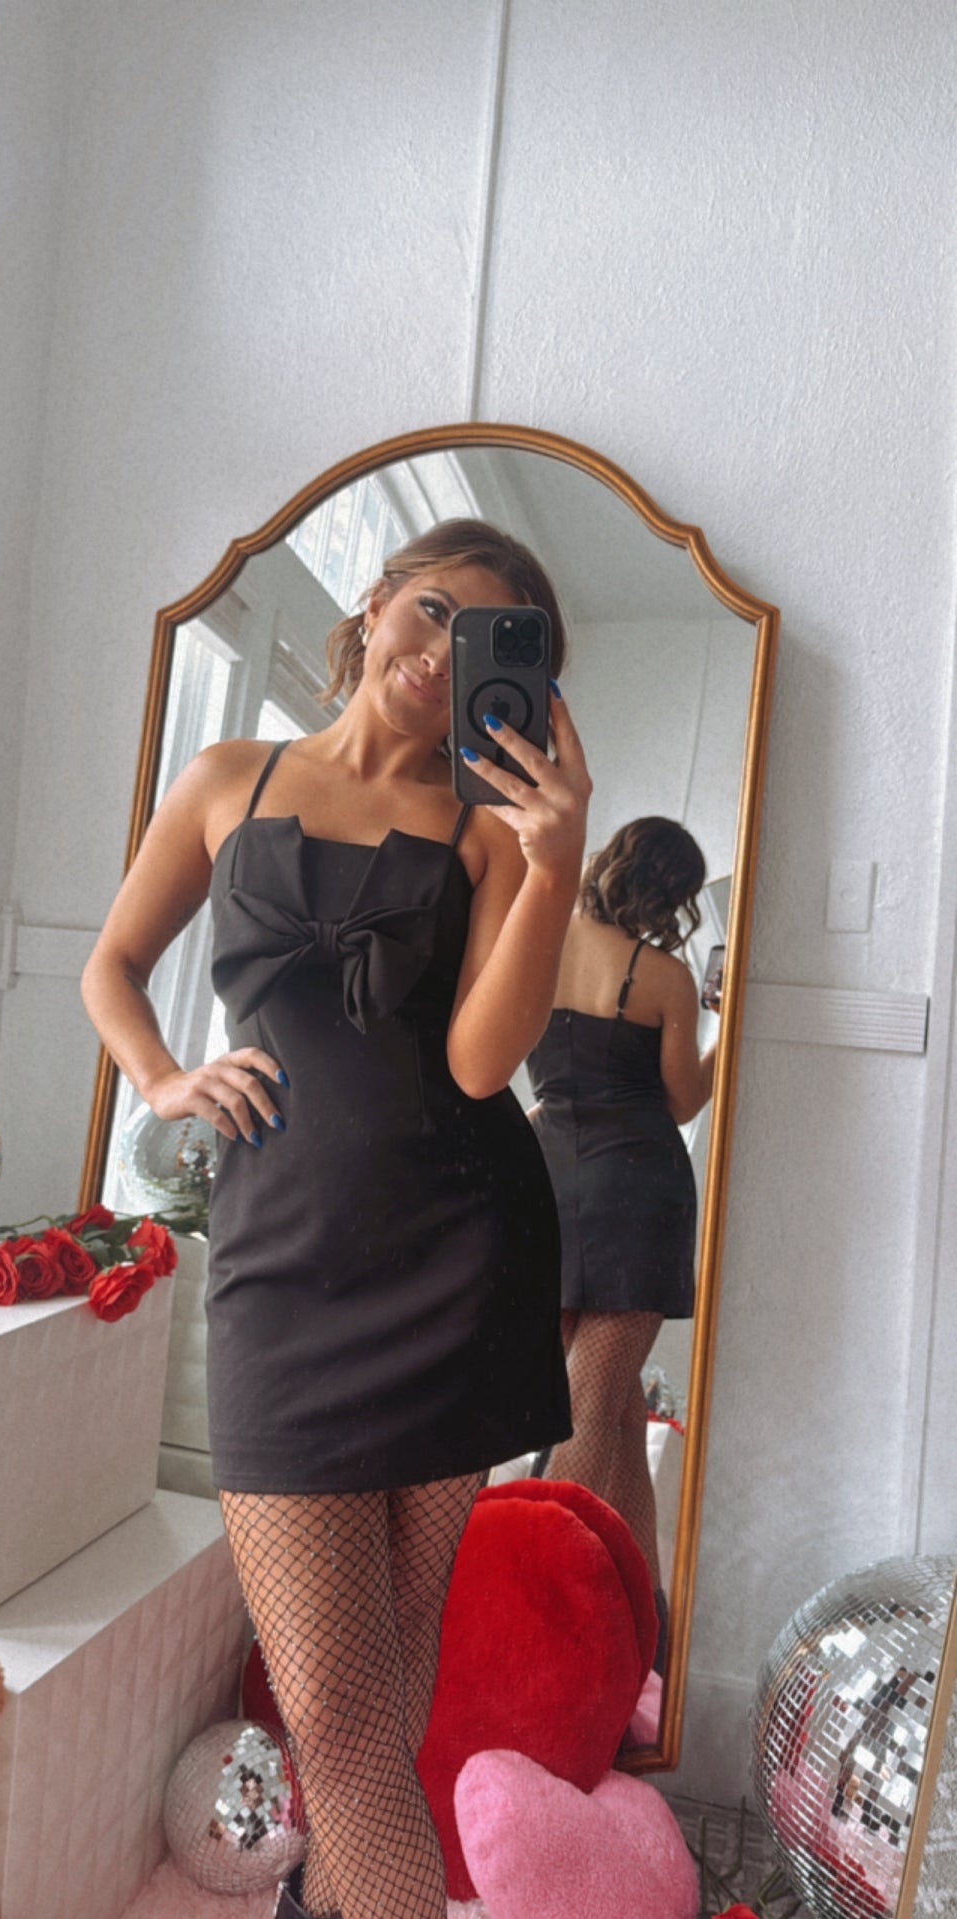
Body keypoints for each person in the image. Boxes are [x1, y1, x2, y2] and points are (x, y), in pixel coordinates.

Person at [81, 518, 590, 1919]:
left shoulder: (488, 834)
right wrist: (164, 1077)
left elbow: (481, 1064)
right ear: (374, 603)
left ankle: (336, 1895)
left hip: (457, 1259)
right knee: (334, 1706)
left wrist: (555, 863)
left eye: (483, 642)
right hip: (279, 1269)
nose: (438, 653)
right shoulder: (226, 778)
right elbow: (113, 962)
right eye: (430, 610)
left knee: (382, 1681)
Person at [526, 817, 715, 1659]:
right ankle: (530, 1592)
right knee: (596, 1404)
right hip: (637, 1187)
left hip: (551, 1177)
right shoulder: (664, 976)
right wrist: (724, 1028)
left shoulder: (539, 938)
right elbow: (682, 1099)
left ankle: (646, 1616)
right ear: (671, 893)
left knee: (614, 1402)